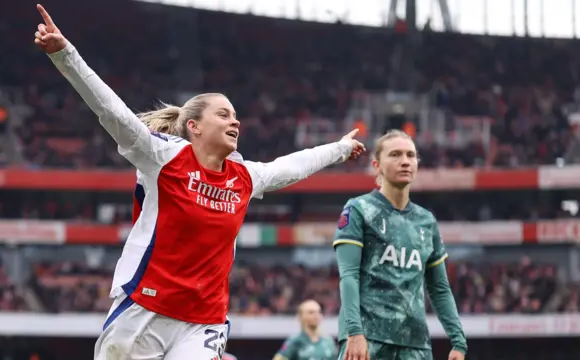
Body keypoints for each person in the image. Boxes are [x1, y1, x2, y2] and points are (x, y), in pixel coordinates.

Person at [33, 4, 365, 360]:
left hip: (204, 321)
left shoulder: (244, 177)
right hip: (144, 309)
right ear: (195, 126)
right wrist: (64, 54)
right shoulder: (163, 157)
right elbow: (112, 112)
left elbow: (292, 166)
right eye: (224, 114)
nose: (235, 122)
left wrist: (340, 149)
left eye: (236, 116)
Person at [333, 129, 467, 360]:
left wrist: (458, 341)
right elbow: (349, 275)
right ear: (377, 165)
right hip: (366, 339)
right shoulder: (359, 209)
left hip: (415, 344)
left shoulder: (426, 221)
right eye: (395, 155)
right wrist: (354, 332)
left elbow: (439, 288)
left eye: (410, 155)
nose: (405, 161)